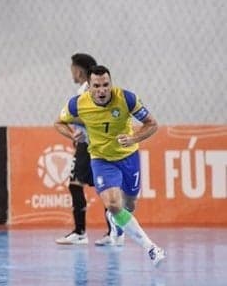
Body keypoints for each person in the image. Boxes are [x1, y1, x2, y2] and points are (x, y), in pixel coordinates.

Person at [54, 65, 166, 267]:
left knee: (129, 206)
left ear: (111, 84)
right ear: (89, 87)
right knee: (114, 205)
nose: (102, 90)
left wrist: (134, 138)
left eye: (106, 85)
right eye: (96, 86)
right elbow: (59, 122)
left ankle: (117, 221)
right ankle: (151, 248)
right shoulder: (78, 104)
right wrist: (72, 135)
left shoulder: (126, 99)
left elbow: (152, 124)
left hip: (128, 157)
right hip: (101, 159)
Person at [55, 53, 97, 245]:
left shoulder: (85, 90)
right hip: (92, 143)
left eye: (72, 68)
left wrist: (68, 117)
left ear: (78, 70)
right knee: (105, 188)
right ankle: (115, 233)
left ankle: (80, 232)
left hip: (89, 145)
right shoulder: (93, 88)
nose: (70, 72)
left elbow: (92, 117)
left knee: (75, 184)